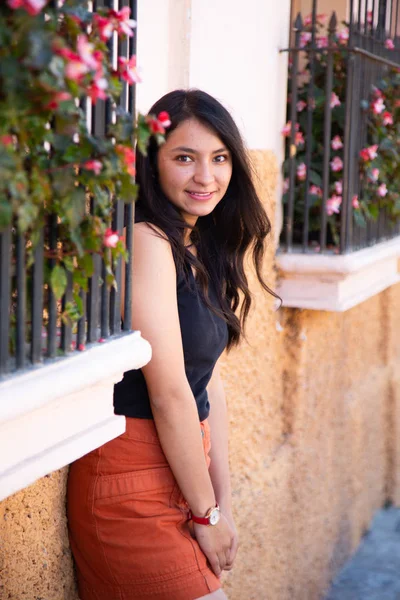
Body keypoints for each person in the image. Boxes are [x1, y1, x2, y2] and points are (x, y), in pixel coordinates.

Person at [67, 89, 275, 600]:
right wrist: (206, 513)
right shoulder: (147, 240)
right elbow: (168, 392)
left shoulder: (196, 245)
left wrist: (219, 503)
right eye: (185, 158)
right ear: (152, 163)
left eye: (219, 158)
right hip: (130, 482)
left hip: (185, 469)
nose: (206, 177)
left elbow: (208, 385)